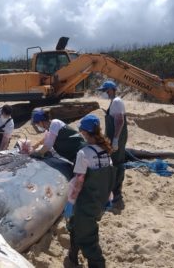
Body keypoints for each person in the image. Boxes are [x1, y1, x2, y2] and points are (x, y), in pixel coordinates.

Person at [64, 114, 116, 268]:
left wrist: (70, 203)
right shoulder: (106, 151)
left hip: (85, 202)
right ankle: (72, 255)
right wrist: (108, 198)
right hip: (99, 200)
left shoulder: (84, 153)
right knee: (75, 225)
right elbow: (109, 179)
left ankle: (98, 264)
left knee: (88, 238)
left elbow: (79, 181)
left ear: (85, 132)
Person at [97, 80, 127, 204]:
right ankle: (114, 191)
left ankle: (117, 194)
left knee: (117, 164)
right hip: (114, 137)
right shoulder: (113, 102)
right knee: (114, 163)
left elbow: (119, 122)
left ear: (111, 90)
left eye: (105, 90)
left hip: (117, 138)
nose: (104, 93)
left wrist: (115, 140)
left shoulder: (117, 102)